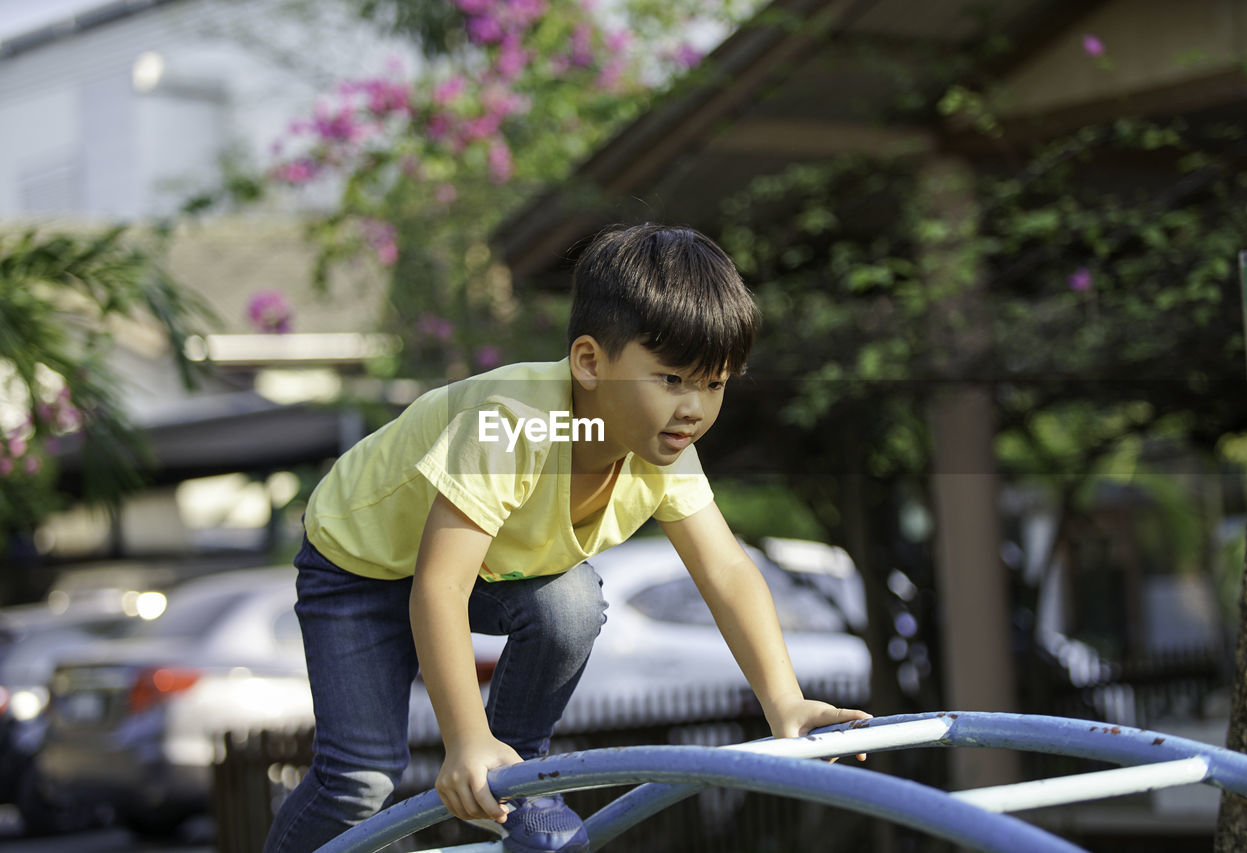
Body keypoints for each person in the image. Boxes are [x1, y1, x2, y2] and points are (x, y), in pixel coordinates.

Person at [263, 223, 871, 853]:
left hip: (478, 570)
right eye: (671, 378)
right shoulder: (514, 425)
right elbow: (438, 587)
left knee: (572, 603)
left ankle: (524, 779)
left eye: (713, 384)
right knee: (360, 781)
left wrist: (786, 704)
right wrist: (465, 740)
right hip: (359, 562)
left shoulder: (660, 451)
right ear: (589, 363)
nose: (694, 407)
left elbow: (727, 572)